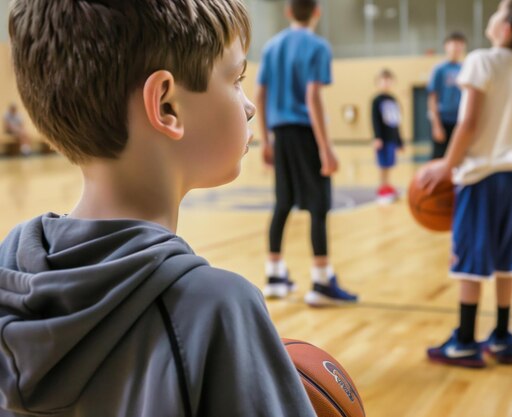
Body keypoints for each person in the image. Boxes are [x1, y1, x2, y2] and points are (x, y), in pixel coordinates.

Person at [0, 1, 316, 416]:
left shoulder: (9, 273)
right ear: (167, 106)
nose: (250, 105)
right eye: (235, 78)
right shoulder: (217, 310)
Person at [419, 0, 512, 368]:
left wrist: (447, 166)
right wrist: (504, 148)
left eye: (498, 10)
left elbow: (467, 123)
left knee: (470, 262)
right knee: (503, 259)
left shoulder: (481, 60)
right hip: (510, 175)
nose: (493, 16)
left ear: (505, 29)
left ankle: (464, 341)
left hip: (478, 178)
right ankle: (501, 337)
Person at [256, 0, 358, 306]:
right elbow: (313, 96)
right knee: (318, 206)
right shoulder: (318, 46)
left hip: (280, 134)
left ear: (288, 12)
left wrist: (265, 140)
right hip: (305, 132)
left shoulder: (272, 47)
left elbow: (260, 96)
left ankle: (274, 275)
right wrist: (326, 148)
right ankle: (321, 280)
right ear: (317, 12)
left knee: (283, 203)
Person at [427, 32, 467, 159]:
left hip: (461, 121)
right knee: (439, 158)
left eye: (460, 44)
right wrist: (436, 125)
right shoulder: (439, 69)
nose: (456, 47)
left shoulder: (466, 68)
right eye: (454, 44)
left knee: (460, 158)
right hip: (443, 120)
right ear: (446, 46)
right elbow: (433, 97)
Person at [371, 69, 404, 204]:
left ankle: (387, 186)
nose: (386, 83)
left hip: (391, 138)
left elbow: (396, 122)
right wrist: (377, 137)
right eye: (383, 80)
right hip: (382, 138)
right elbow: (375, 120)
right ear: (378, 82)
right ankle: (382, 189)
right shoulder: (376, 100)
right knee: (382, 164)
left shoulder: (393, 100)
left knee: (390, 164)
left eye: (388, 80)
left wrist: (399, 141)